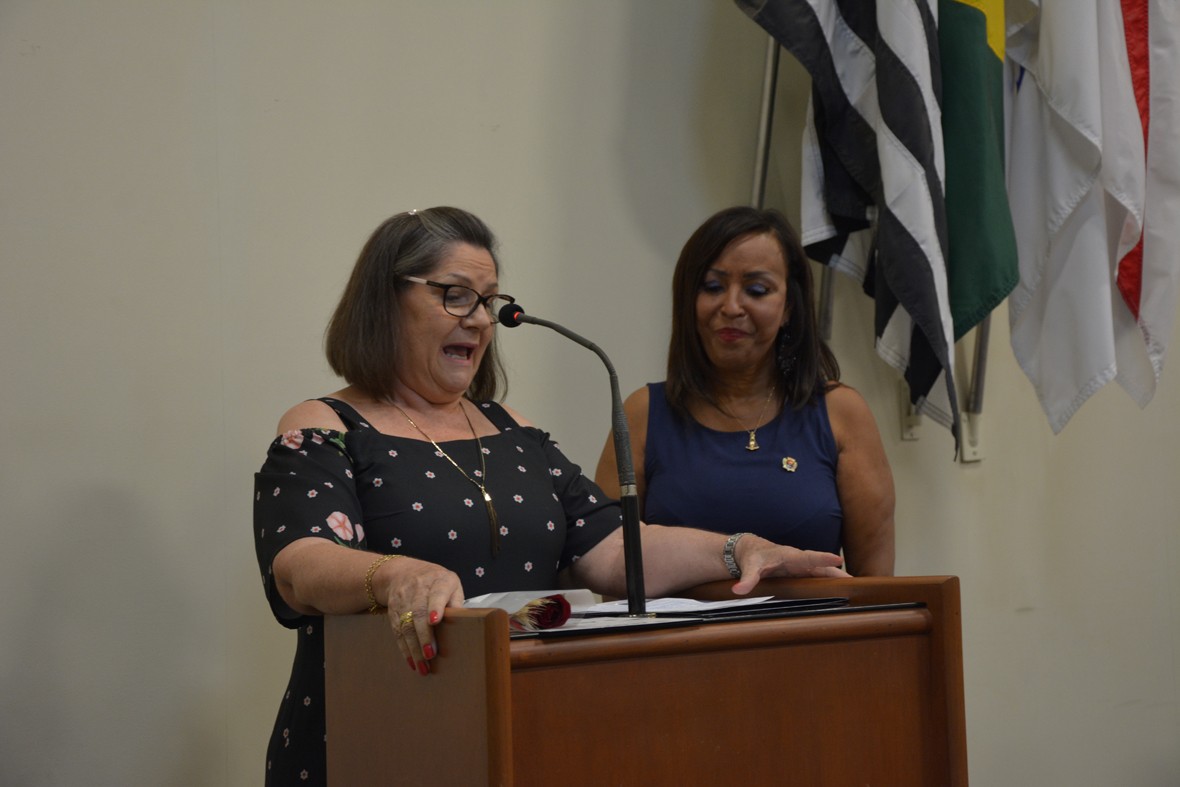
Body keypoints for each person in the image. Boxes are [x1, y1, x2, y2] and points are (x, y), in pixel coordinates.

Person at [252, 206, 849, 785]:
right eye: (456, 296)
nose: (480, 321)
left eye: (488, 302)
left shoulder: (512, 431)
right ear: (386, 299)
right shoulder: (327, 425)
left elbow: (614, 547)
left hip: (516, 732)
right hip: (375, 733)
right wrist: (392, 575)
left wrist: (739, 550)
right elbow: (299, 564)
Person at [595, 206, 895, 577]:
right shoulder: (642, 413)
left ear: (788, 306)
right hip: (677, 619)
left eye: (756, 290)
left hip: (812, 617)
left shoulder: (841, 412)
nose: (732, 306)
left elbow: (876, 588)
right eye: (712, 287)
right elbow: (612, 570)